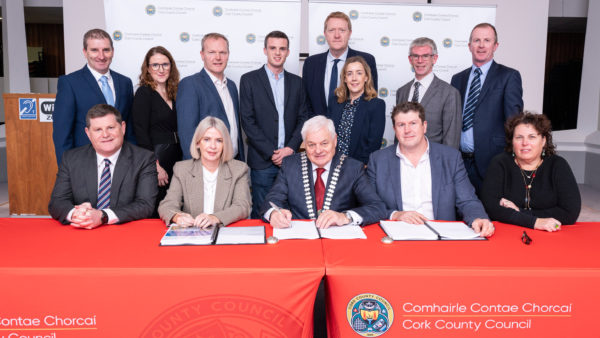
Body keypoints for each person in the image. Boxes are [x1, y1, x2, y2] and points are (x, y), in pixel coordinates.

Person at [367, 102, 494, 237]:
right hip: (396, 238)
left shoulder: (450, 158)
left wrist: (478, 218)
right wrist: (395, 214)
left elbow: (467, 200)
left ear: (424, 126)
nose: (407, 130)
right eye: (401, 125)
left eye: (413, 123)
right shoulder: (378, 160)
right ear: (394, 129)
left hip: (441, 240)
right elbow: (368, 204)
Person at [260, 115, 386, 229]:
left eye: (324, 143)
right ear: (304, 144)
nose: (318, 150)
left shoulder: (353, 168)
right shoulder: (290, 165)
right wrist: (273, 214)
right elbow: (271, 200)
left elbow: (377, 208)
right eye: (311, 145)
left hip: (339, 242)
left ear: (335, 140)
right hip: (300, 240)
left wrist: (345, 217)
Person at [48, 104, 157, 229]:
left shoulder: (144, 159)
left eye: (110, 127)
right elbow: (57, 202)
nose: (105, 135)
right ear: (88, 133)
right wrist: (76, 214)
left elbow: (145, 205)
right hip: (82, 232)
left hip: (124, 234)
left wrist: (102, 216)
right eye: (98, 130)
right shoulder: (71, 158)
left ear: (123, 127)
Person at [240, 31, 309, 218]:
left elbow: (304, 118)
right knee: (262, 212)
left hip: (291, 160)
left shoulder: (298, 83)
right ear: (265, 50)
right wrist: (272, 153)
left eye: (282, 48)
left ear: (288, 52)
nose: (277, 53)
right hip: (263, 162)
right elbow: (248, 121)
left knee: (290, 212)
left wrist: (290, 148)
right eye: (273, 48)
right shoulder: (249, 80)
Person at [451, 23, 523, 193]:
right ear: (469, 46)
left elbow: (514, 123)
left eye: (487, 40)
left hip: (492, 161)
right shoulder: (457, 79)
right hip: (459, 162)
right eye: (477, 40)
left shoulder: (509, 76)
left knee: (488, 214)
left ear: (495, 46)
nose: (481, 45)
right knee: (457, 213)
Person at [481, 112, 581, 231]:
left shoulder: (558, 165)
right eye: (519, 137)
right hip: (508, 231)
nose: (525, 143)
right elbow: (490, 208)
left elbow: (570, 212)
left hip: (549, 234)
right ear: (512, 142)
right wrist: (535, 222)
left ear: (543, 141)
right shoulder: (499, 163)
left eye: (532, 137)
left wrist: (520, 213)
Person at [53, 28, 134, 164]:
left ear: (112, 52)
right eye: (94, 50)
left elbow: (130, 127)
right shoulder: (69, 83)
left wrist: (134, 160)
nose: (101, 56)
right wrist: (66, 171)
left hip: (122, 162)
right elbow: (62, 133)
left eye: (106, 50)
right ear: (85, 52)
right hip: (85, 163)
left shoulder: (125, 82)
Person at [158, 117, 251, 228]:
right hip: (193, 236)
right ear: (198, 143)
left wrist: (214, 218)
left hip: (224, 234)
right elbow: (167, 205)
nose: (212, 146)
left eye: (219, 140)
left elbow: (242, 206)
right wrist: (178, 217)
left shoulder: (238, 169)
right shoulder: (182, 169)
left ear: (224, 144)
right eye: (206, 139)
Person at [176, 33, 244, 161]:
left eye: (222, 52)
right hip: (206, 167)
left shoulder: (232, 86)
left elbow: (235, 130)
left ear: (228, 55)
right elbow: (187, 135)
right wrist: (196, 170)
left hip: (233, 164)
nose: (218, 57)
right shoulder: (190, 84)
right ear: (202, 55)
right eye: (211, 52)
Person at [131, 46, 182, 210]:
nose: (161, 69)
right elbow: (141, 133)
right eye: (155, 65)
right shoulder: (144, 93)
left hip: (178, 154)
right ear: (147, 68)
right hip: (158, 155)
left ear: (171, 66)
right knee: (159, 203)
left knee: (176, 202)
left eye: (165, 65)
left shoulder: (175, 91)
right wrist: (155, 165)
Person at [302, 11, 378, 117]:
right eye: (332, 30)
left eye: (342, 30)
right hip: (318, 131)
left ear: (349, 33)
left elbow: (371, 101)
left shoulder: (367, 60)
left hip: (355, 131)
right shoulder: (311, 64)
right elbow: (305, 104)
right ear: (325, 34)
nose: (337, 35)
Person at [396, 37, 461, 149]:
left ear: (434, 59)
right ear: (410, 59)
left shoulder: (449, 93)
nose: (420, 61)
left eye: (425, 56)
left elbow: (451, 140)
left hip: (433, 162)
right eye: (415, 56)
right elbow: (398, 132)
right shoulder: (402, 91)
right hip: (403, 161)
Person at [330, 56, 385, 164]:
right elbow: (328, 135)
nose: (354, 78)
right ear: (345, 78)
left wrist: (359, 167)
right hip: (333, 164)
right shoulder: (335, 102)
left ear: (366, 77)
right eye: (349, 73)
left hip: (359, 167)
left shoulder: (376, 105)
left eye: (359, 73)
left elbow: (373, 144)